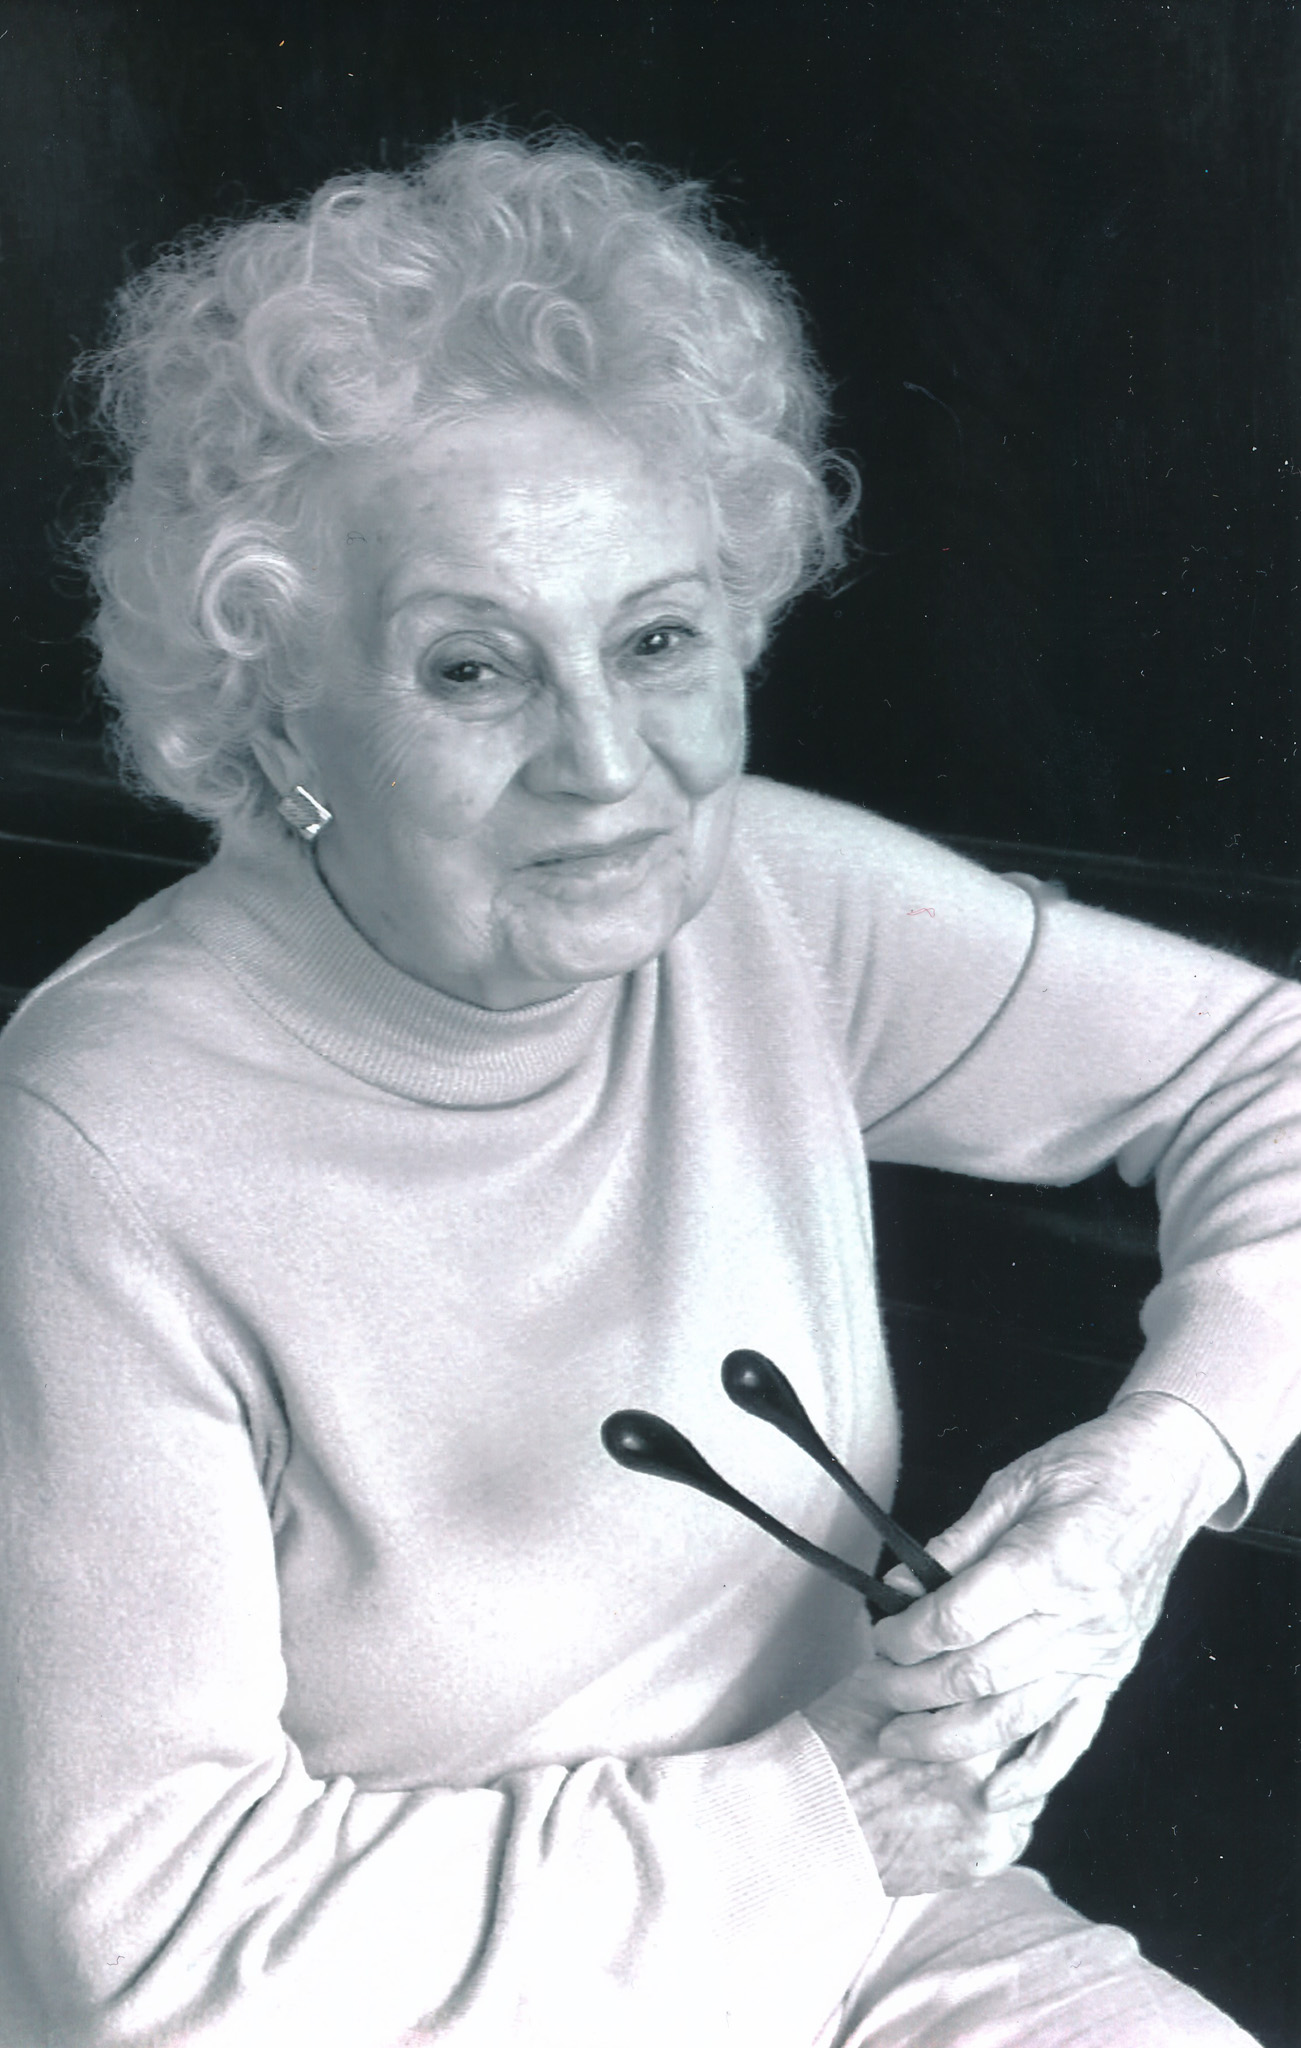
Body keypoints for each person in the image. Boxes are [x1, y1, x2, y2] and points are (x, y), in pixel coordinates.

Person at [0, 129, 1295, 2048]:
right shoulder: (95, 1140)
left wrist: (1150, 1479)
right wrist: (819, 1821)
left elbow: (1271, 1070)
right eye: (471, 670)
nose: (606, 764)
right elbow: (147, 1956)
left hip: (881, 1943)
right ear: (275, 717)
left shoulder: (760, 900)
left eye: (659, 640)